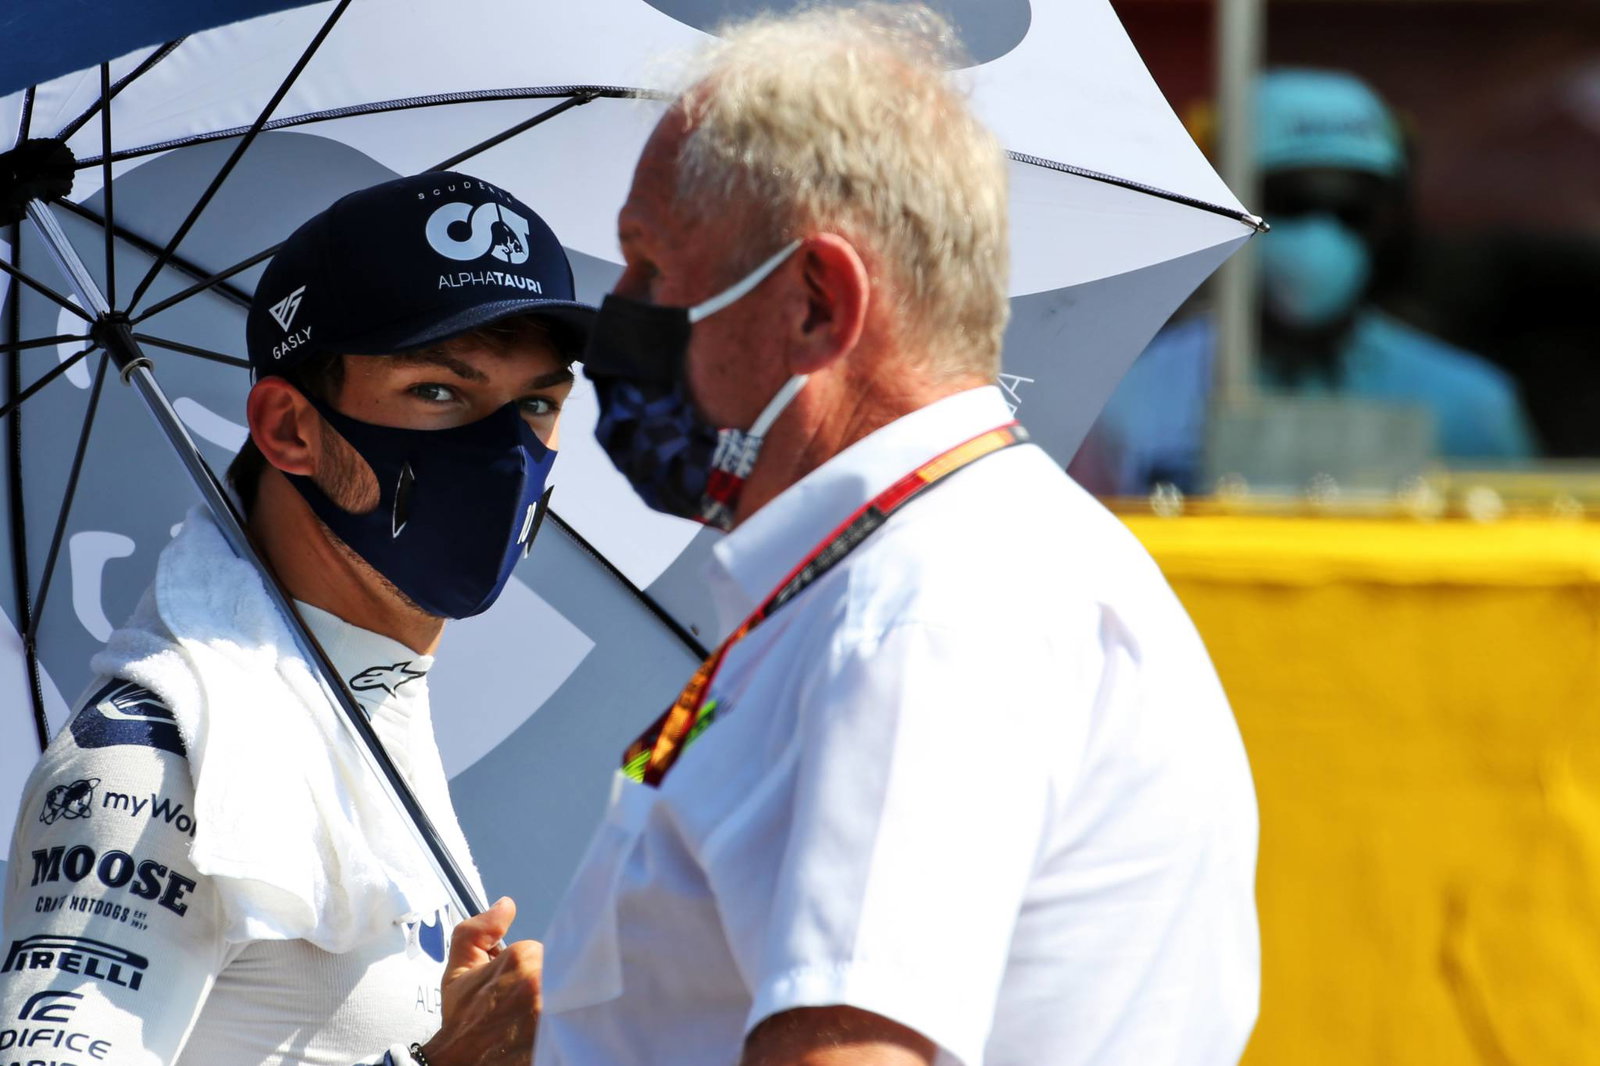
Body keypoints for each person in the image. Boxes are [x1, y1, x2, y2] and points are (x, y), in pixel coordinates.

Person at [546, 6, 1259, 1065]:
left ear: (814, 303)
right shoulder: (942, 568)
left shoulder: (925, 608)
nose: (617, 308)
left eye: (650, 266)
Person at [0, 171, 594, 1065]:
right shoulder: (161, 763)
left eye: (538, 403)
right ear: (289, 429)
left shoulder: (368, 707)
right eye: (439, 391)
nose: (507, 452)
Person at [1072, 68, 1536, 497]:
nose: (1321, 237)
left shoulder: (1468, 407)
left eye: (1353, 211)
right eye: (1290, 203)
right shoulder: (1126, 401)